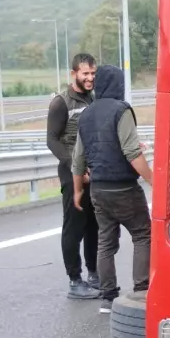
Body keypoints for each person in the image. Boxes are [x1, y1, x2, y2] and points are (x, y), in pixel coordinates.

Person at [70, 64, 153, 315]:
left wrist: (77, 192)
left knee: (106, 242)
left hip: (98, 189)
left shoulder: (86, 114)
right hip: (123, 187)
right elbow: (131, 153)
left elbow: (78, 159)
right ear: (117, 85)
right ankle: (141, 290)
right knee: (142, 234)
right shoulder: (121, 110)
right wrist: (154, 181)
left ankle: (107, 297)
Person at [47, 53, 99, 300]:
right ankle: (75, 280)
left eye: (92, 73)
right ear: (74, 74)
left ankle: (94, 274)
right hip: (72, 173)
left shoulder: (94, 98)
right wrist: (75, 168)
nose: (90, 78)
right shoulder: (61, 102)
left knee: (94, 225)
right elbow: (52, 140)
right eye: (85, 73)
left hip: (94, 171)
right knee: (74, 226)